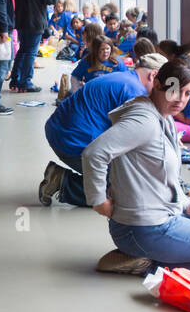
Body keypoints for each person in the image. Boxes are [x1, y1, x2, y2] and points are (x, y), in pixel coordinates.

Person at [82, 59, 190, 272]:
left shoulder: (163, 116)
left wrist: (186, 203)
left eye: (187, 93)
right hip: (142, 228)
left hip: (160, 217)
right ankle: (147, 264)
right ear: (157, 84)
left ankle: (150, 256)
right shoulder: (145, 121)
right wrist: (99, 201)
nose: (181, 100)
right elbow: (94, 153)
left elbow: (162, 177)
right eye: (175, 91)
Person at [40, 53, 165, 207]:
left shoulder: (124, 78)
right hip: (72, 141)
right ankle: (63, 182)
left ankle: (62, 178)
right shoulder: (135, 92)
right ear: (154, 75)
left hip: (61, 130)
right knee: (128, 191)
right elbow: (132, 139)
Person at [9, 0, 56, 92]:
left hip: (21, 20)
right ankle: (25, 82)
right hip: (36, 21)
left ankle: (15, 80)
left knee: (23, 50)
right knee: (30, 52)